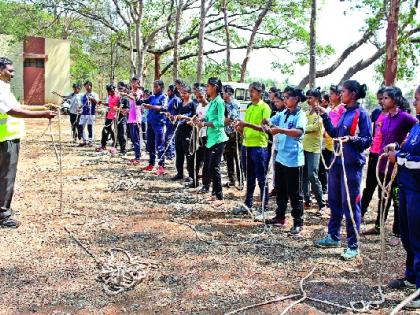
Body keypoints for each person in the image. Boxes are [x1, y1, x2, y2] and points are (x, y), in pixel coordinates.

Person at [315, 80, 372, 260]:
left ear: (353, 93)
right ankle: (333, 236)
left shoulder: (361, 114)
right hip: (337, 163)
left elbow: (367, 140)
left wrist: (351, 139)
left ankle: (353, 244)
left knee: (350, 204)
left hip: (352, 166)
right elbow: (334, 133)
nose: (341, 94)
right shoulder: (344, 112)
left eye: (344, 91)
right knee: (335, 201)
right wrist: (324, 116)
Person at [0, 57, 56, 228]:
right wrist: (43, 115)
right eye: (9, 70)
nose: (12, 73)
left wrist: (42, 107)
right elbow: (14, 111)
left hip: (7, 139)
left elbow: (20, 107)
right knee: (6, 178)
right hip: (6, 140)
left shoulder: (5, 88)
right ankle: (3, 216)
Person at [363, 86, 417, 244]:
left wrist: (403, 145)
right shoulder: (385, 118)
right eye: (382, 98)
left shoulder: (405, 117)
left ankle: (397, 233)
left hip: (396, 166)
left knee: (396, 198)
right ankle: (378, 227)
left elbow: (416, 130)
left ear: (394, 100)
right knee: (382, 197)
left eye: (386, 98)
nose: (382, 100)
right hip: (382, 165)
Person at [386, 86, 420, 310]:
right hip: (407, 188)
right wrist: (398, 148)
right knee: (407, 236)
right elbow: (411, 151)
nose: (415, 103)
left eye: (418, 99)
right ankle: (411, 277)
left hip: (418, 190)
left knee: (418, 238)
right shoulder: (417, 126)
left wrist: (397, 157)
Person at [262, 87, 307, 236]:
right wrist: (266, 123)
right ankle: (280, 217)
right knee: (280, 189)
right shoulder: (283, 113)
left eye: (288, 97)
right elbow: (270, 121)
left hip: (294, 160)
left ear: (296, 99)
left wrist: (280, 130)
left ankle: (298, 223)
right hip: (281, 157)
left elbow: (298, 132)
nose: (285, 100)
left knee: (295, 193)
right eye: (285, 97)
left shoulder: (300, 115)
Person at [234, 82, 271, 215]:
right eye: (250, 91)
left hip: (259, 147)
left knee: (261, 178)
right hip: (247, 145)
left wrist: (246, 124)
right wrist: (239, 128)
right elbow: (245, 129)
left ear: (260, 93)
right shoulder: (249, 108)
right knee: (249, 177)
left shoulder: (265, 107)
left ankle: (264, 207)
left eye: (253, 91)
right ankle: (248, 204)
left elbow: (264, 128)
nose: (250, 93)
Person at [195, 77, 228, 207]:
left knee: (215, 167)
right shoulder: (212, 101)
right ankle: (214, 194)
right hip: (211, 139)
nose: (206, 89)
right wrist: (199, 119)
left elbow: (220, 122)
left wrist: (204, 124)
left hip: (218, 139)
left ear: (214, 87)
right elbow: (208, 117)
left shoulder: (219, 102)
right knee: (209, 167)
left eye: (208, 86)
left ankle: (220, 196)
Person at [360, 87, 386, 219]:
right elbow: (368, 127)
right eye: (380, 99)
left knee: (383, 191)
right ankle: (360, 213)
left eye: (383, 98)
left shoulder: (398, 115)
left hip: (385, 157)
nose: (381, 101)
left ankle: (379, 222)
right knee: (369, 186)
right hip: (373, 154)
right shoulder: (376, 112)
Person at [303, 88, 326, 213]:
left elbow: (317, 127)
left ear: (317, 99)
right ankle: (307, 200)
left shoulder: (320, 112)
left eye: (310, 97)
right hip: (304, 147)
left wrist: (303, 129)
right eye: (307, 97)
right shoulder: (306, 113)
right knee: (304, 176)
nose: (308, 100)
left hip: (314, 149)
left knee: (312, 175)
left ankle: (321, 203)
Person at [137, 80, 167, 175]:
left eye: (156, 86)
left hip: (159, 124)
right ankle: (151, 163)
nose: (154, 88)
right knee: (150, 144)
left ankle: (161, 166)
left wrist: (151, 107)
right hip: (150, 124)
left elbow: (163, 108)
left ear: (161, 87)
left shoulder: (163, 97)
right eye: (153, 86)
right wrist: (135, 97)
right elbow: (140, 102)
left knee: (160, 145)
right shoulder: (152, 97)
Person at [170, 85, 196, 183]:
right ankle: (179, 173)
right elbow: (177, 116)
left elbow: (194, 118)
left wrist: (184, 118)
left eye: (185, 93)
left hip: (188, 132)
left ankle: (191, 175)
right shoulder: (180, 104)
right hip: (179, 131)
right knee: (179, 153)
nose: (183, 95)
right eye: (182, 93)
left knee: (188, 154)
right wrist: (173, 117)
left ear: (190, 93)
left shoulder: (193, 104)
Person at [223, 85, 242, 187]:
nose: (222, 94)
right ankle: (231, 180)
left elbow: (231, 119)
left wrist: (222, 120)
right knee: (229, 157)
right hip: (226, 134)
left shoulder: (234, 104)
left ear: (229, 93)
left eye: (224, 92)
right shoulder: (223, 104)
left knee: (237, 158)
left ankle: (241, 181)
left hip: (235, 134)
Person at [194, 86, 210, 191]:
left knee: (207, 161)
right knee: (198, 159)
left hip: (208, 136)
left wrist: (202, 123)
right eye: (197, 97)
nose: (199, 99)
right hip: (199, 135)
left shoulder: (210, 107)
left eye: (201, 97)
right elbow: (197, 118)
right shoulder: (198, 107)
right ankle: (195, 181)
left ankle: (206, 184)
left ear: (205, 94)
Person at [98, 83, 120, 152]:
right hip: (109, 116)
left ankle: (115, 145)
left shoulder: (118, 96)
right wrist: (102, 103)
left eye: (110, 91)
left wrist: (115, 108)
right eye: (108, 91)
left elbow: (119, 106)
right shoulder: (109, 96)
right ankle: (103, 145)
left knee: (113, 131)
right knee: (105, 130)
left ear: (113, 90)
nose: (109, 92)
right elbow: (109, 104)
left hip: (115, 116)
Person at [126, 77, 143, 165]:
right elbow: (132, 105)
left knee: (136, 138)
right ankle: (136, 155)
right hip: (131, 118)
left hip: (136, 118)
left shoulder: (139, 93)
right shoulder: (131, 92)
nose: (133, 84)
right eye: (132, 82)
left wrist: (127, 95)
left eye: (135, 83)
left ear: (138, 84)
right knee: (133, 138)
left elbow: (136, 100)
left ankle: (138, 157)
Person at [78, 81, 99, 146]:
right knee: (81, 126)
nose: (86, 87)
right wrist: (79, 107)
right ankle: (84, 140)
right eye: (85, 86)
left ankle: (90, 141)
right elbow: (82, 103)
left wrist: (92, 99)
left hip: (91, 113)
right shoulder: (84, 95)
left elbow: (97, 102)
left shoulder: (94, 94)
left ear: (90, 86)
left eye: (87, 86)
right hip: (84, 113)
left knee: (90, 126)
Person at [165, 84, 182, 160]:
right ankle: (170, 153)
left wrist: (174, 117)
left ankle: (171, 154)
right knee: (169, 138)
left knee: (169, 138)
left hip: (174, 123)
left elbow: (179, 111)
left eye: (169, 90)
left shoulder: (176, 99)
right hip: (168, 122)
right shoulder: (169, 99)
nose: (167, 92)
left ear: (172, 91)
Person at [116, 82, 130, 155]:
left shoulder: (126, 99)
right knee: (118, 134)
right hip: (118, 119)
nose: (120, 90)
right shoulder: (119, 98)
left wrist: (119, 110)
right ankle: (121, 149)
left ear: (125, 89)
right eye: (119, 88)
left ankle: (124, 150)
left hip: (123, 119)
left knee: (123, 134)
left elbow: (127, 110)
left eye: (121, 88)